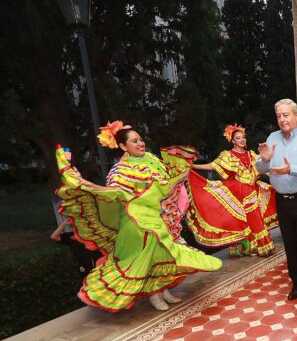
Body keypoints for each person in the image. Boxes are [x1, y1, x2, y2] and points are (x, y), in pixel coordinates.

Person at [55, 121, 222, 312]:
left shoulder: (151, 160)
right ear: (123, 147)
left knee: (164, 254)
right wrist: (89, 186)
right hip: (137, 223)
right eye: (134, 141)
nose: (141, 143)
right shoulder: (120, 170)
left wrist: (183, 178)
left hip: (157, 218)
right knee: (148, 257)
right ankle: (154, 295)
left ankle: (163, 289)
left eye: (141, 139)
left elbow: (165, 186)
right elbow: (117, 195)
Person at [256, 99, 297, 314]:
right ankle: (296, 283)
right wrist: (265, 160)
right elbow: (260, 166)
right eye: (279, 116)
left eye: (286, 115)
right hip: (282, 200)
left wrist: (291, 169)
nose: (282, 119)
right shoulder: (272, 137)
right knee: (290, 246)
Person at [186, 124, 277, 257]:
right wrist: (193, 166)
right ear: (233, 140)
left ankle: (255, 246)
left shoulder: (251, 154)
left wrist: (277, 177)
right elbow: (213, 166)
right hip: (239, 191)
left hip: (252, 188)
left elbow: (263, 169)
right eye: (238, 138)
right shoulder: (228, 155)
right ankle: (259, 246)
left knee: (255, 216)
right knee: (246, 219)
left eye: (243, 137)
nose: (242, 140)